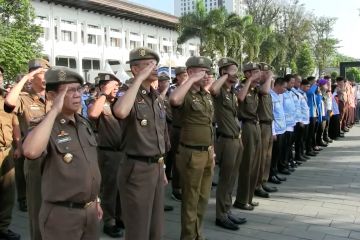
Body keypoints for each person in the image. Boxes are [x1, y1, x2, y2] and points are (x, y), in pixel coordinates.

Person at [22, 66, 102, 240]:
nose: (77, 95)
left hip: (89, 212)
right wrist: (54, 111)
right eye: (69, 91)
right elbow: (30, 151)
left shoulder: (83, 123)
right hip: (62, 216)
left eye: (79, 89)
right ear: (51, 96)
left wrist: (96, 200)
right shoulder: (45, 126)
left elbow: (90, 166)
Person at [113, 47, 169, 240]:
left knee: (156, 227)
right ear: (135, 69)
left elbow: (160, 135)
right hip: (137, 168)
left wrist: (162, 166)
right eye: (148, 65)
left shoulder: (156, 98)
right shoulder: (126, 93)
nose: (154, 68)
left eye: (155, 65)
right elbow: (120, 112)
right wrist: (137, 81)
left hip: (156, 166)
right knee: (138, 229)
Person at [4, 59, 51, 240]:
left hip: (56, 156)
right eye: (41, 73)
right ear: (32, 76)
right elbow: (9, 103)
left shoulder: (54, 95)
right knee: (37, 207)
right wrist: (25, 79)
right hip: (35, 159)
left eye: (48, 72)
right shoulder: (24, 98)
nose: (46, 77)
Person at [170, 56, 215, 240]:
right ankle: (188, 237)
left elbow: (208, 124)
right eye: (201, 71)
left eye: (207, 71)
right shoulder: (184, 93)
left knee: (203, 198)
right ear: (190, 72)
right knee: (190, 199)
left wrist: (212, 150)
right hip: (191, 153)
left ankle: (198, 234)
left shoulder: (205, 95)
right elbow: (174, 100)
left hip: (206, 152)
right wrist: (191, 80)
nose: (206, 75)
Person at [210, 57, 246, 231]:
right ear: (224, 72)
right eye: (233, 70)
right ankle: (220, 215)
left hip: (236, 139)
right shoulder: (220, 91)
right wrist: (225, 75)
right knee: (225, 180)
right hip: (226, 140)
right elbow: (212, 88)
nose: (236, 74)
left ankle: (227, 209)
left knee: (232, 179)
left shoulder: (231, 92)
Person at [87, 73, 123, 238]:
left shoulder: (118, 103)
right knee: (109, 188)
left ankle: (120, 217)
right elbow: (93, 114)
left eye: (117, 86)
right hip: (107, 152)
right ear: (102, 86)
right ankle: (109, 221)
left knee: (122, 187)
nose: (115, 89)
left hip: (124, 151)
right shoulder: (96, 103)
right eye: (112, 86)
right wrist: (103, 93)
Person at [233, 62, 270, 211]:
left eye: (259, 71)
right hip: (246, 127)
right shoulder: (241, 88)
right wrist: (249, 81)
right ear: (247, 74)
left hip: (256, 125)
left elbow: (266, 91)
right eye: (255, 71)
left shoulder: (256, 90)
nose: (259, 74)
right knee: (247, 165)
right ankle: (241, 200)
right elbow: (240, 99)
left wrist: (268, 77)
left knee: (256, 164)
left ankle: (248, 198)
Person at [0, 66, 22, 240]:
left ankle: (3, 228)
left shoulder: (6, 100)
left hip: (6, 151)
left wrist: (19, 146)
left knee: (7, 193)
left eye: (0, 75)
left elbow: (15, 124)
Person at [255, 62, 277, 198]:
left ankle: (263, 181)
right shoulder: (257, 87)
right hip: (261, 125)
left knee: (268, 157)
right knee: (261, 157)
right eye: (264, 72)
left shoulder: (267, 88)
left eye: (268, 72)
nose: (267, 74)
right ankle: (257, 185)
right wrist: (269, 78)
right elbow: (264, 91)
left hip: (269, 125)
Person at [168, 67, 188, 201]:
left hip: (188, 128)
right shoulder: (175, 90)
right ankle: (176, 188)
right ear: (178, 77)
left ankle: (184, 186)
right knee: (178, 160)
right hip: (178, 128)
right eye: (184, 75)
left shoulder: (189, 89)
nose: (186, 77)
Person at [269, 77, 288, 185]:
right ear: (278, 85)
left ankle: (275, 173)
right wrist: (273, 132)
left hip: (282, 129)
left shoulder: (279, 96)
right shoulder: (271, 96)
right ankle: (271, 175)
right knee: (273, 155)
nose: (285, 89)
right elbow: (271, 115)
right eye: (284, 87)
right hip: (276, 130)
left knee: (278, 154)